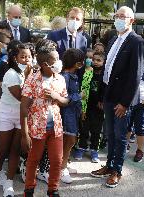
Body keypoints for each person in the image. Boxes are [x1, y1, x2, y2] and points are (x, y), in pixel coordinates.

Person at [90, 6, 144, 188]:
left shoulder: (137, 41)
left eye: (124, 16)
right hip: (109, 95)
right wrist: (102, 96)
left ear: (132, 20)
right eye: (117, 16)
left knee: (120, 136)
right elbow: (107, 69)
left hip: (122, 100)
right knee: (111, 134)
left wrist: (125, 103)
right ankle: (109, 165)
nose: (119, 19)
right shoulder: (114, 38)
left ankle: (117, 170)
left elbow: (135, 76)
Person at [21, 46, 69, 197]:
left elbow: (65, 101)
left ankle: (53, 189)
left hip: (55, 127)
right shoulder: (33, 79)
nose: (59, 62)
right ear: (44, 64)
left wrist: (56, 96)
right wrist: (25, 134)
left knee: (56, 160)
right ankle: (29, 189)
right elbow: (23, 107)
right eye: (55, 60)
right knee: (33, 159)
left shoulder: (60, 78)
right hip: (37, 128)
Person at [0, 43, 32, 197]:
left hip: (20, 115)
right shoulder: (11, 74)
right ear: (15, 58)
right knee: (2, 148)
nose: (26, 60)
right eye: (22, 57)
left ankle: (9, 182)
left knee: (15, 148)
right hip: (6, 113)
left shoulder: (28, 72)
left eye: (29, 56)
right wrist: (29, 77)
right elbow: (23, 98)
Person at [75, 51, 105, 163]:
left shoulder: (105, 75)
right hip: (86, 106)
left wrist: (102, 100)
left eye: (99, 60)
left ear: (104, 62)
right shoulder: (86, 72)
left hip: (99, 108)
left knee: (96, 130)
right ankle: (81, 147)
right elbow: (83, 88)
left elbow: (106, 90)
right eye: (94, 59)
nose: (95, 62)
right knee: (84, 128)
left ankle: (94, 150)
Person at [60, 49, 85, 184]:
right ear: (77, 64)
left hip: (73, 113)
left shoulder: (73, 76)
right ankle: (61, 168)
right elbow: (63, 98)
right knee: (69, 140)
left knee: (70, 141)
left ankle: (65, 163)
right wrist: (79, 96)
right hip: (66, 114)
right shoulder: (65, 77)